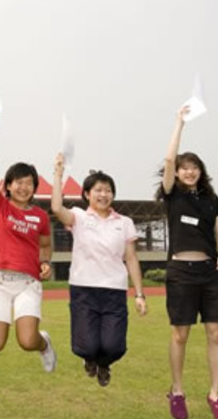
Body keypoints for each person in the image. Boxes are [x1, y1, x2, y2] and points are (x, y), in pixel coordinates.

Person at [157, 105, 218, 419]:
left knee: (215, 333)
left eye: (194, 168)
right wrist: (179, 123)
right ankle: (177, 391)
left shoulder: (211, 200)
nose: (189, 172)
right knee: (180, 335)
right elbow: (169, 160)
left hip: (210, 273)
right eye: (184, 168)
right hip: (180, 273)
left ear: (201, 172)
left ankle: (215, 394)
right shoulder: (172, 195)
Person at [51, 154, 147, 386]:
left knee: (114, 346)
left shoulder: (123, 222)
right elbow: (56, 207)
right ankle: (90, 359)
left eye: (108, 190)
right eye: (98, 190)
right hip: (84, 289)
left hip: (114, 290)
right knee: (85, 346)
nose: (103, 195)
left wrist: (139, 294)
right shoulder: (79, 216)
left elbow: (131, 259)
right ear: (87, 194)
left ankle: (104, 364)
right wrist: (58, 175)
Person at [0, 110, 56, 371]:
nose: (24, 187)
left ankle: (44, 343)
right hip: (0, 281)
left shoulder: (40, 216)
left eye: (29, 183)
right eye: (18, 182)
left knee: (27, 340)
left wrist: (45, 263)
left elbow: (45, 246)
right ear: (8, 186)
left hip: (27, 283)